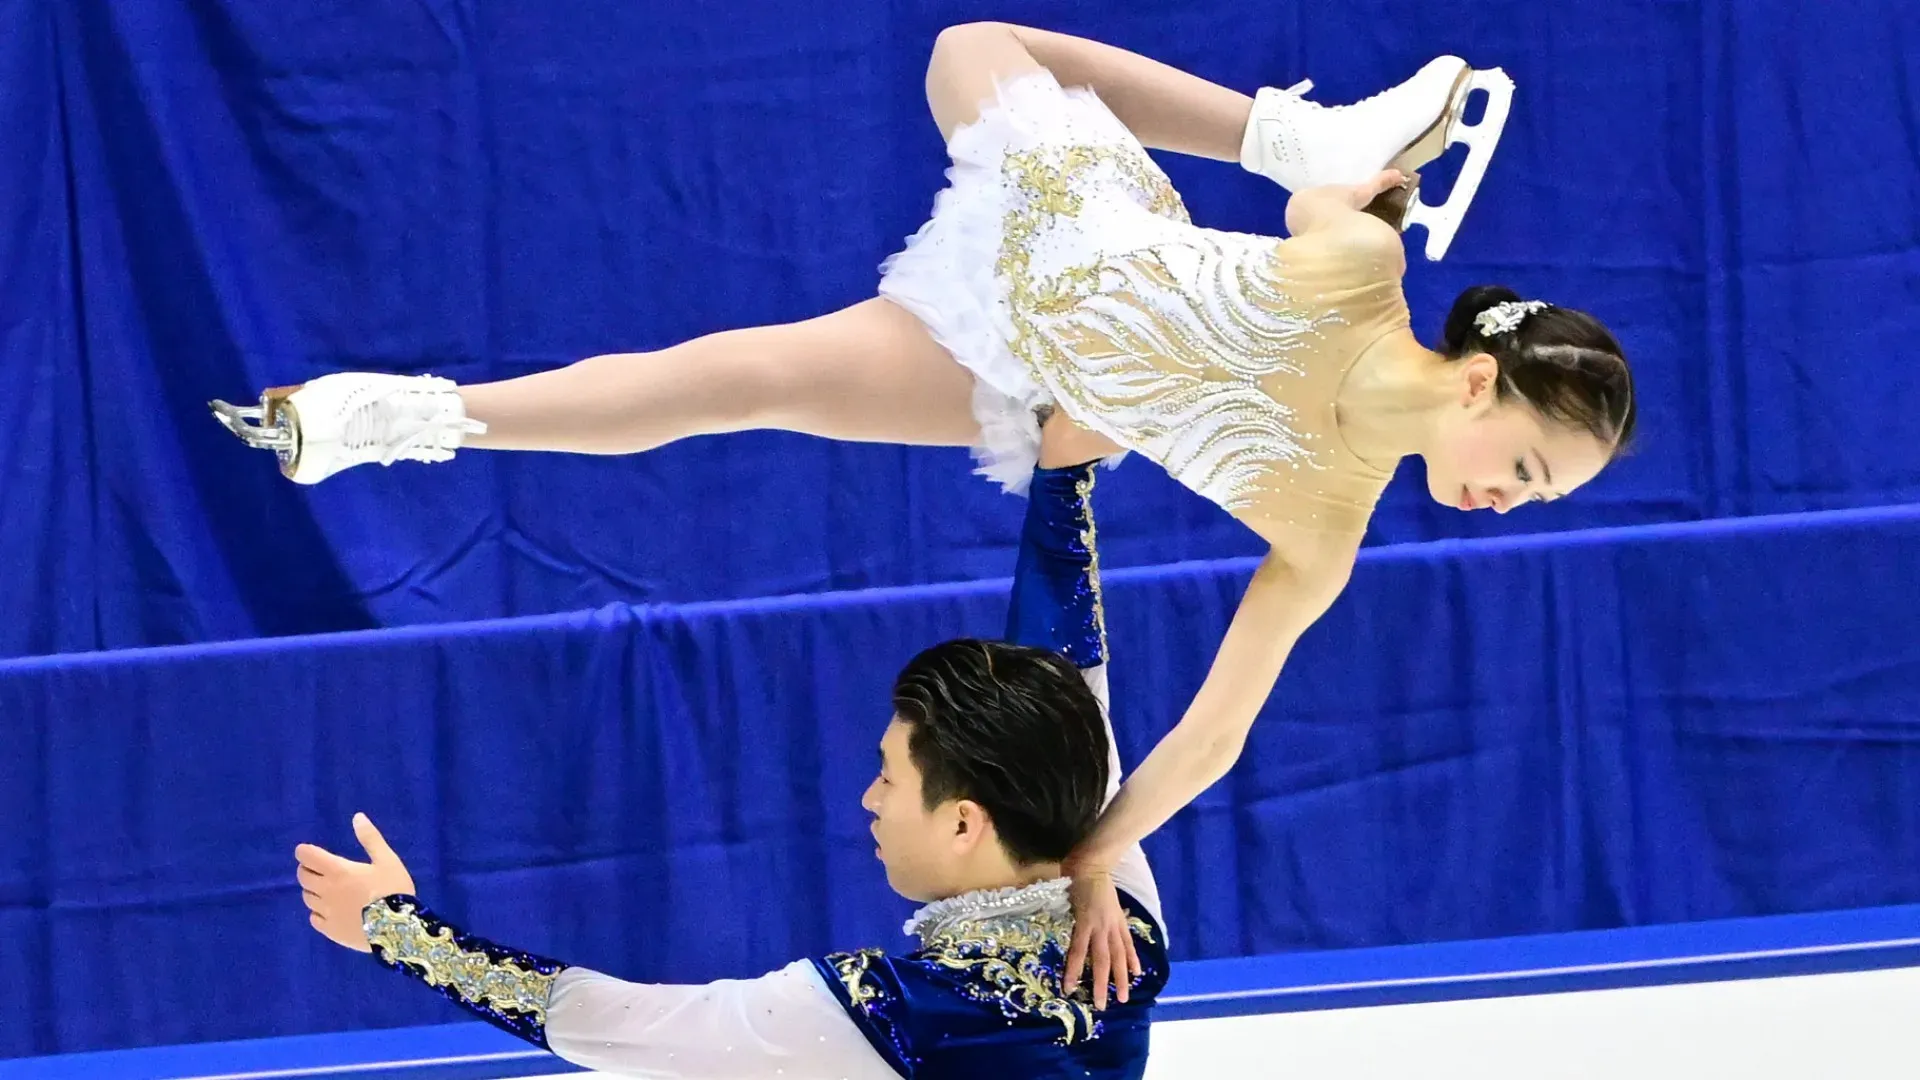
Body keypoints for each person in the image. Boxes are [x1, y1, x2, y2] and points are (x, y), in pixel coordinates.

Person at [245, 21, 1637, 1005]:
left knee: (732, 381)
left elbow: (1211, 736)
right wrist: (1332, 154)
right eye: (1527, 468)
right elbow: (1344, 203)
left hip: (1023, 367)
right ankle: (1288, 121)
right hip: (1075, 225)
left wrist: (1090, 857)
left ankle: (403, 417)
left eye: (1536, 501)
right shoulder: (1356, 268)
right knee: (971, 44)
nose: (1507, 506)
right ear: (1480, 381)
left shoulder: (1331, 522)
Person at [294, 446, 1168, 1078]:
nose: (868, 799)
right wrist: (1063, 477)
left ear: (966, 820)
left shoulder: (892, 1013)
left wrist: (396, 929)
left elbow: (618, 1022)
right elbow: (1071, 681)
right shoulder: (1124, 918)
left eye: (890, 777)